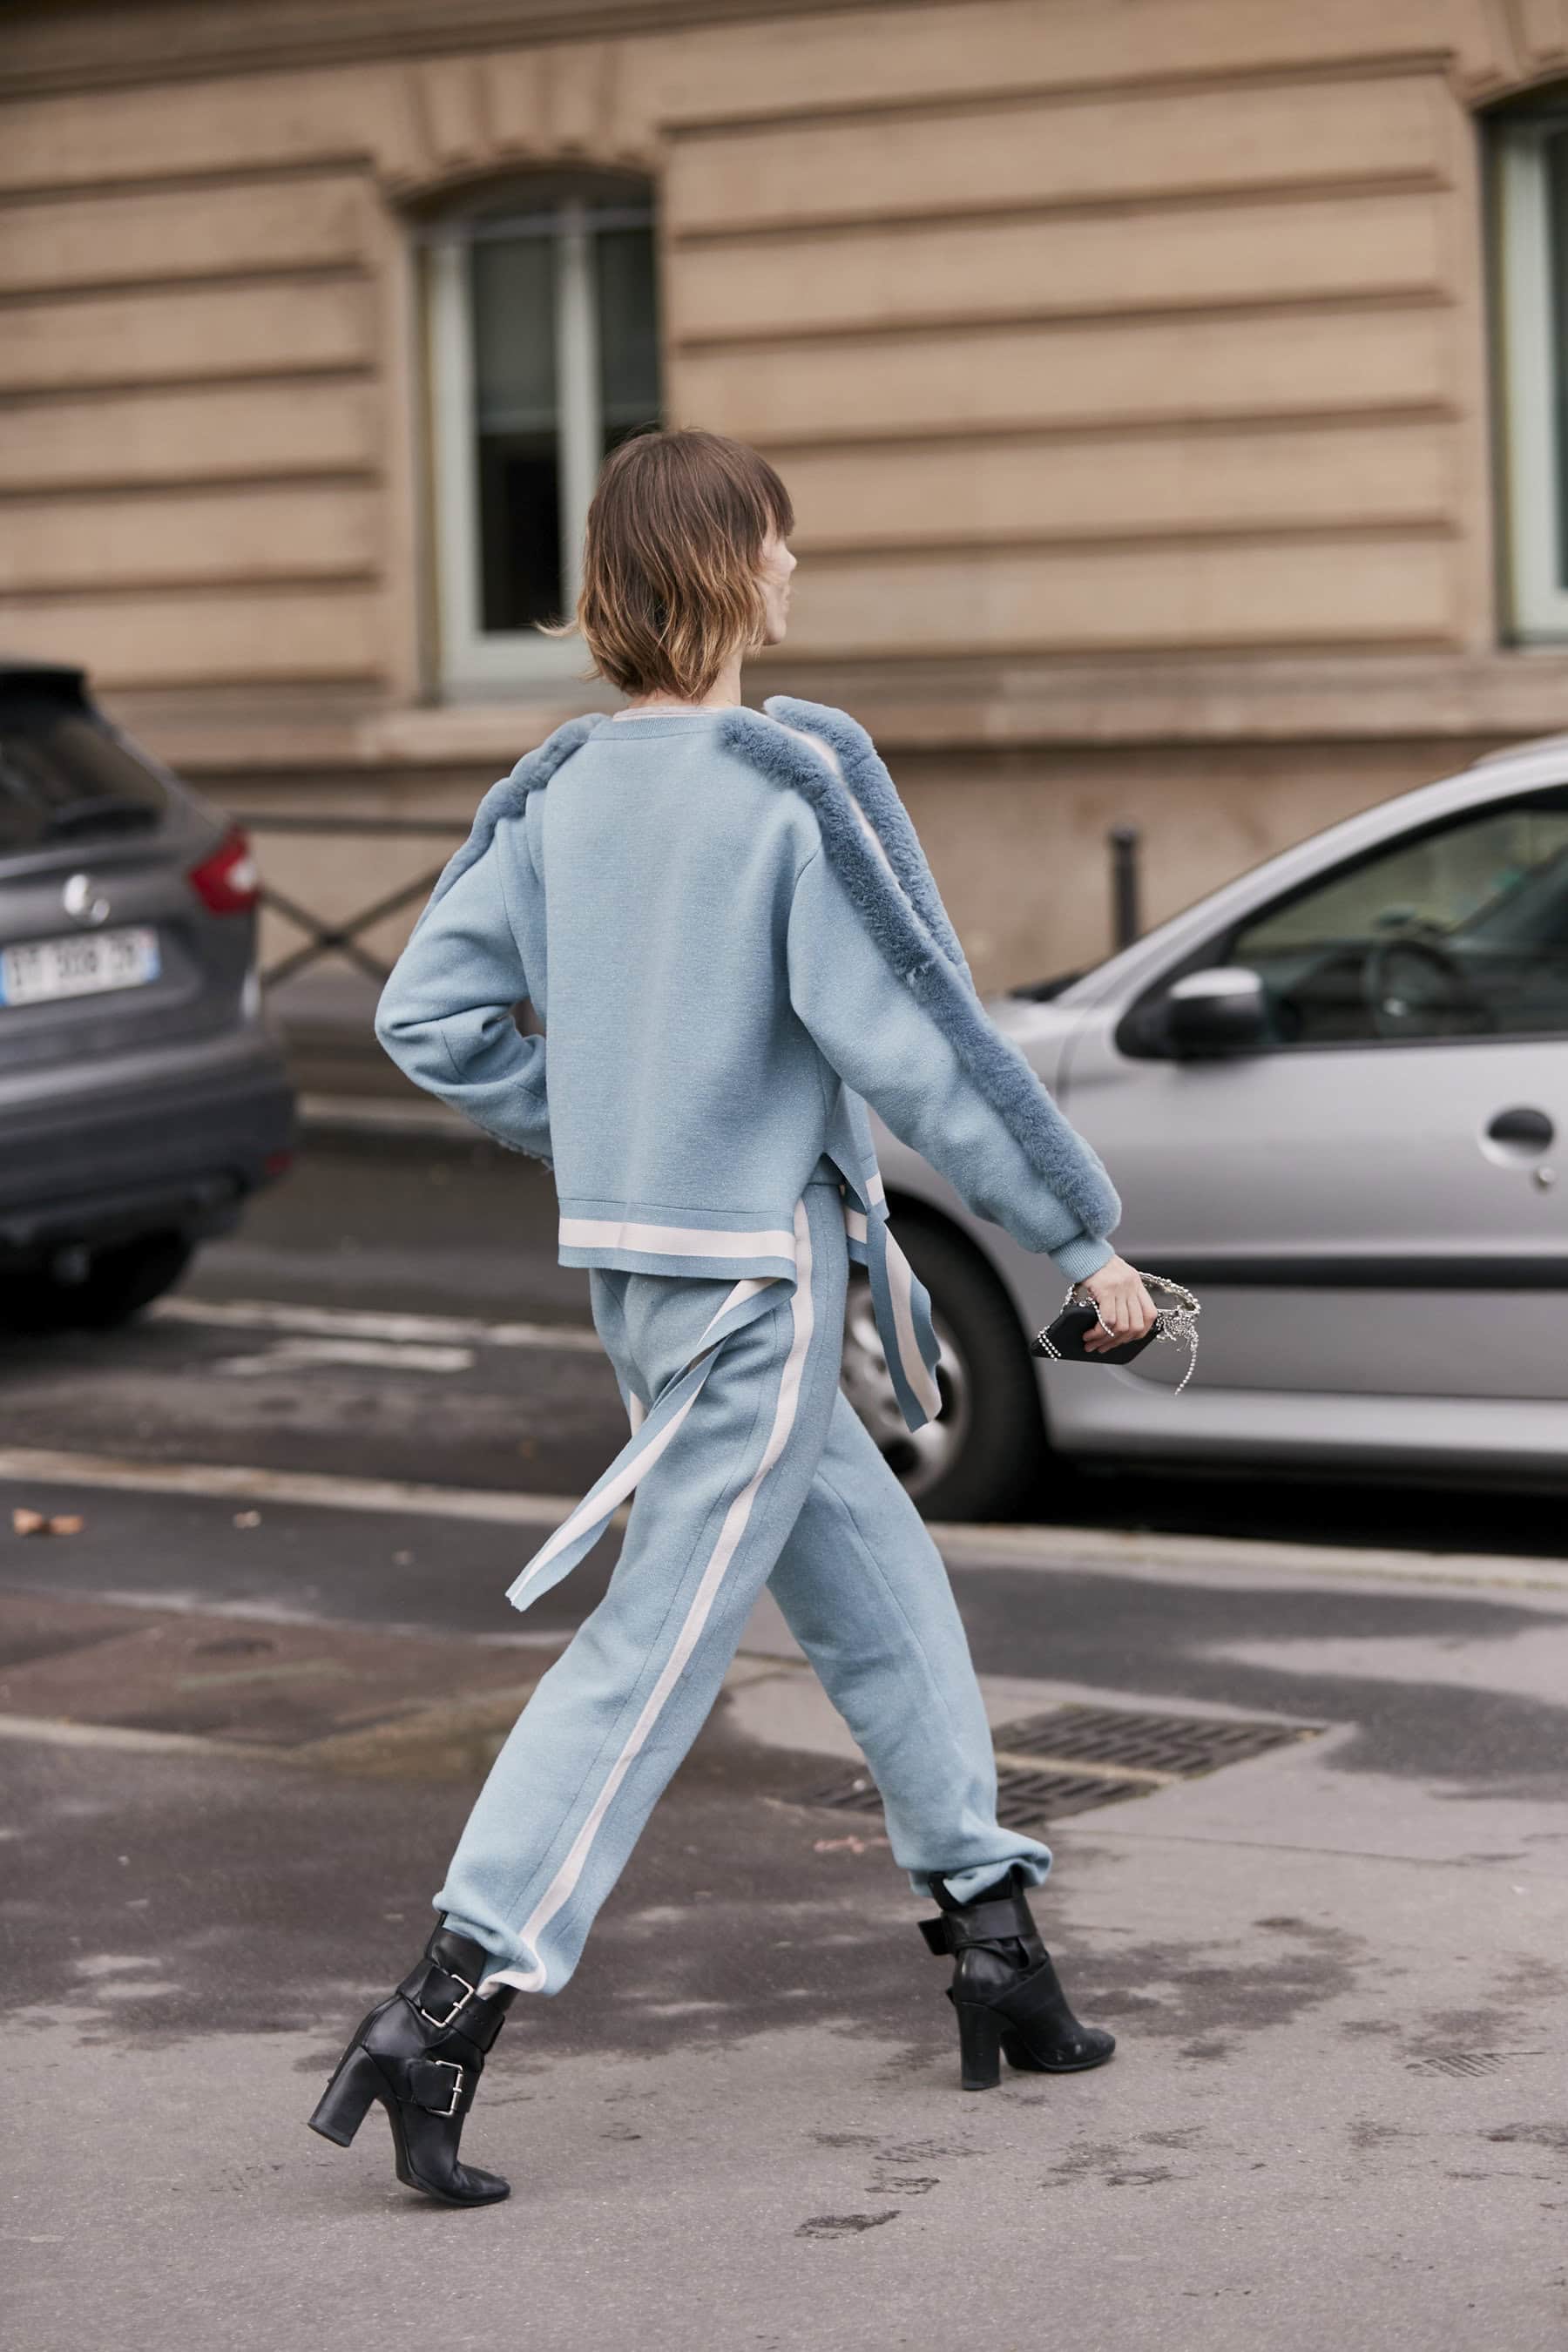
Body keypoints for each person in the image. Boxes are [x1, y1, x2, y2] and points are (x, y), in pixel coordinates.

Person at [308, 427, 1155, 2207]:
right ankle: (447, 1999)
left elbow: (427, 1023)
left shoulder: (555, 792)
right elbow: (922, 1041)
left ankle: (995, 1947)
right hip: (762, 1290)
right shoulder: (782, 793)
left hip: (644, 1278)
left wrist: (608, 1122)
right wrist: (1084, 1241)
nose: (795, 573)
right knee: (658, 1649)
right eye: (778, 546)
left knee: (882, 1596)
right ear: (723, 568)